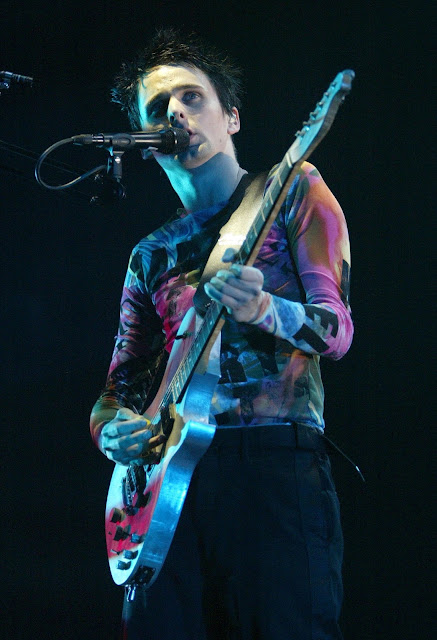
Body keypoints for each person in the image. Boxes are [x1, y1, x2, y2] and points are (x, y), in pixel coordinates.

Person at [90, 28, 354, 640]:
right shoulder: (150, 255)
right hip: (168, 489)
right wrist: (112, 434)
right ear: (145, 141)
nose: (176, 114)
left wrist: (264, 308)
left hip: (274, 471)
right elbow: (116, 389)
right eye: (158, 108)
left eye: (192, 97)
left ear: (231, 116)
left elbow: (337, 331)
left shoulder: (294, 189)